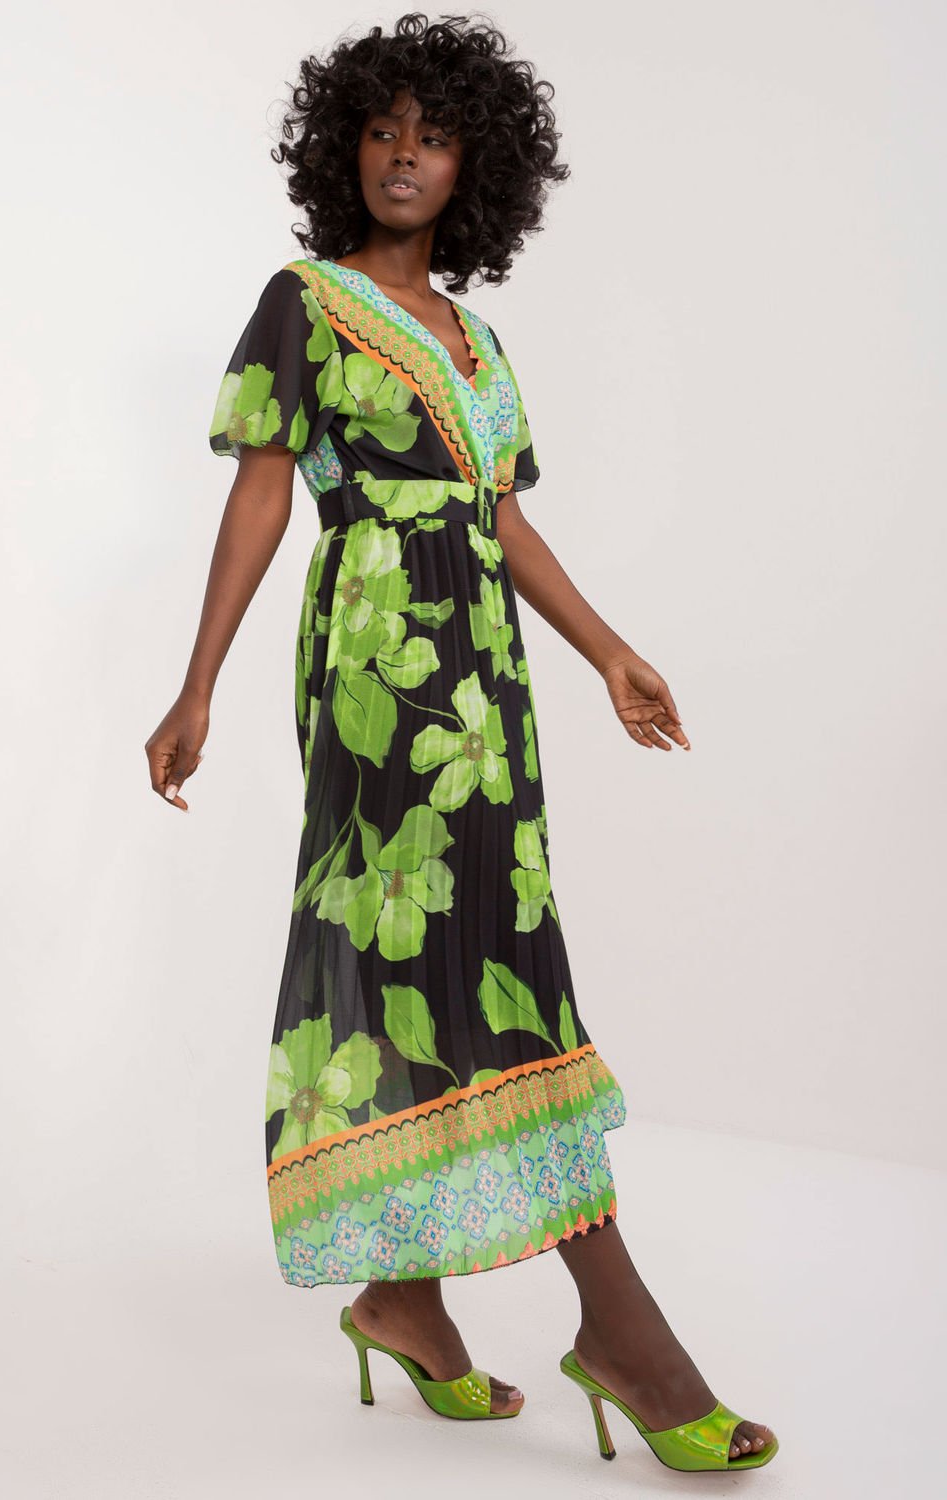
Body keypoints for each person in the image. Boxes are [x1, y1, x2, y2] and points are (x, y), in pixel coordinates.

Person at [145, 13, 778, 1472]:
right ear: (343, 148)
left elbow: (500, 517)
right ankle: (621, 1328)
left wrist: (608, 651)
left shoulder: (478, 341)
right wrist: (198, 687)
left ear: (473, 169)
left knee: (451, 953)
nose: (403, 155)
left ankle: (404, 1301)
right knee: (471, 965)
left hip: (486, 682)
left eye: (433, 137)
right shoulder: (305, 302)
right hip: (380, 662)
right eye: (382, 130)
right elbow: (261, 494)